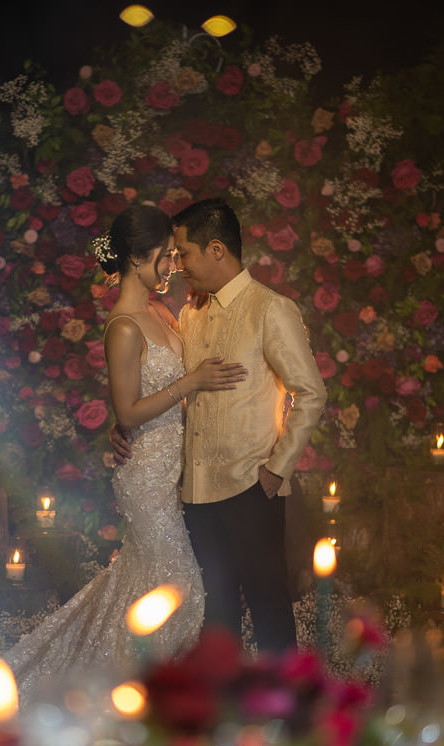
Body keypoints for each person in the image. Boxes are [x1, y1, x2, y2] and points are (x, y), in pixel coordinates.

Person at [0, 204, 246, 717]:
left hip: (175, 471)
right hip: (146, 480)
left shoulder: (163, 311)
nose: (173, 268)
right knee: (182, 596)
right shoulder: (124, 326)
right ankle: (120, 701)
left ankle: (132, 696)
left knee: (154, 591)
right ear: (137, 259)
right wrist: (189, 384)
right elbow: (129, 409)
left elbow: (142, 405)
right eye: (164, 259)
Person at [113, 198, 326, 654]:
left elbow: (310, 392)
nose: (178, 264)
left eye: (183, 252)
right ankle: (223, 716)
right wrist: (128, 422)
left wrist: (276, 469)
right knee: (216, 614)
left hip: (252, 484)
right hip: (194, 492)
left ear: (215, 249)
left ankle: (287, 718)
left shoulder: (271, 309)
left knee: (269, 606)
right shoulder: (189, 313)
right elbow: (178, 391)